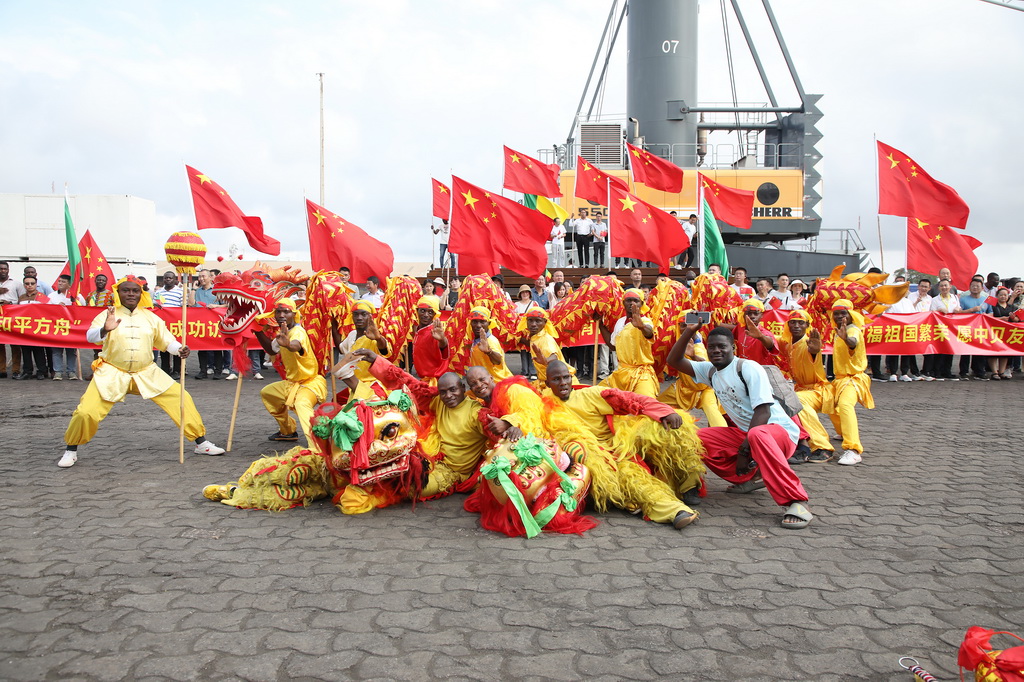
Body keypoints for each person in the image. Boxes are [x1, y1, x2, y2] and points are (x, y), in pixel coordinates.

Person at [57, 276, 225, 468]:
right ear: (118, 293)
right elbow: (90, 337)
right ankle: (71, 449)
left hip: (146, 371)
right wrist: (105, 329)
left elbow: (165, 340)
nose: (130, 294)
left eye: (135, 291)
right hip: (112, 372)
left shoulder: (151, 317)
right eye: (126, 290)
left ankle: (201, 443)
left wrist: (179, 349)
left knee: (182, 398)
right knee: (86, 412)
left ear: (141, 293)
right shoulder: (107, 314)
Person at [666, 323, 813, 530]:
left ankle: (797, 502)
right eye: (712, 347)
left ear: (733, 347)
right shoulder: (710, 371)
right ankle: (750, 478)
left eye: (722, 346)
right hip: (750, 434)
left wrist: (744, 452)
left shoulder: (747, 367)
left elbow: (764, 412)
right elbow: (673, 360)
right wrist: (689, 332)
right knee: (694, 438)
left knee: (757, 435)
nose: (716, 350)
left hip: (779, 434)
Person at [542, 360, 702, 530]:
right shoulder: (543, 406)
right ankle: (675, 511)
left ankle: (689, 486)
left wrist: (664, 412)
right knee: (631, 478)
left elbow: (631, 399)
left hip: (618, 449)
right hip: (589, 461)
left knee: (674, 428)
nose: (563, 383)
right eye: (557, 379)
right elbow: (524, 416)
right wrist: (510, 424)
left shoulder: (591, 394)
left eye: (566, 377)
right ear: (547, 383)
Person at [358, 349, 489, 499]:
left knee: (409, 489)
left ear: (463, 389)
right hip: (431, 458)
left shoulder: (477, 413)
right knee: (389, 469)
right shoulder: (438, 401)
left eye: (453, 390)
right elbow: (407, 383)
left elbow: (498, 434)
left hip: (452, 472)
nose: (448, 396)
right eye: (443, 392)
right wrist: (376, 360)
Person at [254, 299, 327, 450]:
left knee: (302, 404)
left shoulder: (298, 332)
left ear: (294, 314)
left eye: (286, 312)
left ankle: (317, 447)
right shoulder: (282, 333)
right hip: (292, 383)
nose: (281, 315)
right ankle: (287, 431)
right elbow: (272, 350)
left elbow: (296, 346)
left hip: (310, 384)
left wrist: (288, 345)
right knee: (268, 393)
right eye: (278, 312)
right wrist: (257, 331)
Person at [778, 310, 834, 463]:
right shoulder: (787, 343)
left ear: (807, 325)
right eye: (792, 322)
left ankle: (823, 447)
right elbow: (770, 341)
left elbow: (814, 353)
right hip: (800, 388)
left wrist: (815, 352)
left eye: (801, 322)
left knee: (797, 401)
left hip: (818, 389)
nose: (796, 326)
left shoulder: (809, 343)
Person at [828, 299, 873, 465]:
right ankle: (842, 432)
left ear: (850, 314)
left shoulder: (852, 330)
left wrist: (847, 339)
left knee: (845, 405)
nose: (839, 316)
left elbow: (853, 343)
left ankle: (853, 449)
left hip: (853, 379)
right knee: (829, 402)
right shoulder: (839, 331)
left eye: (843, 313)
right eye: (836, 313)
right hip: (840, 379)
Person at [596, 288, 658, 397]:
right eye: (629, 300)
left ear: (642, 303)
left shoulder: (646, 321)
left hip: (641, 375)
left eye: (636, 300)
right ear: (623, 303)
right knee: (597, 396)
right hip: (621, 373)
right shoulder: (620, 322)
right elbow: (613, 347)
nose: (632, 303)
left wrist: (642, 327)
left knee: (645, 405)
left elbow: (649, 334)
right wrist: (600, 324)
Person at [332, 300, 389, 400]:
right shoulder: (352, 334)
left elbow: (384, 349)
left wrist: (378, 338)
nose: (359, 318)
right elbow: (341, 348)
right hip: (355, 383)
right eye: (356, 315)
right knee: (336, 400)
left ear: (370, 317)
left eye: (363, 314)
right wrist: (333, 325)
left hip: (373, 384)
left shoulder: (375, 335)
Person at [521, 307, 573, 384]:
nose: (533, 324)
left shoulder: (545, 339)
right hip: (549, 381)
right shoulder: (535, 336)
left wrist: (545, 361)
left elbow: (554, 356)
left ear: (545, 322)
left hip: (561, 383)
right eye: (530, 320)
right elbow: (532, 343)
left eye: (538, 321)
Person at [48, 274, 85, 380]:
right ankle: (58, 372)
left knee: (71, 351)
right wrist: (57, 308)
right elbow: (46, 311)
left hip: (71, 328)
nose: (60, 283)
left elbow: (84, 309)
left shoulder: (77, 296)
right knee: (56, 351)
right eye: (59, 281)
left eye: (63, 282)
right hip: (56, 327)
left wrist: (74, 303)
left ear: (69, 284)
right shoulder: (51, 296)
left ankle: (71, 372)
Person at [15, 275, 50, 380]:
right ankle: (27, 371)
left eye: (32, 283)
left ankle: (42, 371)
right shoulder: (21, 298)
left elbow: (49, 311)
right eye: (27, 284)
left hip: (38, 327)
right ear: (24, 285)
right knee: (25, 350)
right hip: (24, 328)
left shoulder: (42, 297)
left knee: (39, 350)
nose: (29, 285)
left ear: (36, 284)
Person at [191, 269, 223, 381]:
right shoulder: (197, 291)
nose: (201, 278)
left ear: (210, 277)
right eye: (199, 276)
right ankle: (203, 371)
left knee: (217, 348)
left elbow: (225, 306)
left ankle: (218, 371)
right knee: (202, 348)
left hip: (214, 323)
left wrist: (216, 307)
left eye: (203, 276)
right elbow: (191, 304)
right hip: (201, 323)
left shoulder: (217, 291)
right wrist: (193, 289)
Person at [958, 278, 992, 380]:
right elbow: (959, 312)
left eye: (977, 286)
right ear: (969, 287)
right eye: (973, 286)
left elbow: (991, 313)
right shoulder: (963, 299)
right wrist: (971, 310)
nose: (975, 288)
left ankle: (979, 372)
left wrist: (986, 315)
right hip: (967, 328)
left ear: (982, 288)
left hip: (981, 329)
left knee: (980, 351)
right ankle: (963, 372)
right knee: (965, 351)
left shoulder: (986, 300)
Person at [466, 306, 512, 382]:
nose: (478, 325)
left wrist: (489, 352)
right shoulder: (475, 339)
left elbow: (498, 361)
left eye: (482, 321)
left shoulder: (490, 341)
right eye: (475, 322)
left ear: (489, 323)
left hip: (496, 383)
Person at [411, 295, 449, 384]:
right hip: (423, 380)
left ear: (435, 314)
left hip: (435, 382)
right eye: (423, 311)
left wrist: (442, 340)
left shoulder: (435, 332)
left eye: (430, 312)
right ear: (417, 311)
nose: (426, 315)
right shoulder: (418, 330)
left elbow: (443, 348)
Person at [153, 271, 184, 380]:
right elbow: (154, 305)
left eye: (170, 278)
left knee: (176, 346)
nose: (167, 280)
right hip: (162, 324)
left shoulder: (180, 292)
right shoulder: (158, 292)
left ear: (175, 279)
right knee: (164, 346)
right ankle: (165, 369)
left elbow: (183, 307)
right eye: (166, 278)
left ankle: (177, 370)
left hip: (176, 323)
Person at [929, 279, 961, 380]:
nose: (944, 288)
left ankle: (947, 371)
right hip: (939, 328)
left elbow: (959, 309)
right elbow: (931, 313)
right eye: (942, 286)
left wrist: (958, 310)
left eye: (946, 285)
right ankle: (937, 371)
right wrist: (938, 310)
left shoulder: (955, 297)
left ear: (950, 286)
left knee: (950, 350)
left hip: (951, 328)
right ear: (939, 288)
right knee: (939, 350)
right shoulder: (935, 299)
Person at [0, 260, 21, 377]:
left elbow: (22, 300)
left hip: (12, 317)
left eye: (5, 269)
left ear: (8, 270)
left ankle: (16, 369)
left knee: (15, 344)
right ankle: (1, 370)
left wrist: (10, 302)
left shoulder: (16, 284)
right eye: (1, 269)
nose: (3, 271)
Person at [989, 287, 1014, 380]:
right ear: (997, 296)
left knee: (1004, 353)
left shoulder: (1012, 307)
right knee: (993, 352)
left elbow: (1017, 320)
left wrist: (1013, 318)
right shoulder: (992, 306)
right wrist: (1001, 319)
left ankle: (1002, 371)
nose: (1003, 297)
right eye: (1001, 295)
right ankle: (994, 372)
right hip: (994, 332)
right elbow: (988, 318)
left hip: (1007, 333)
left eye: (1005, 295)